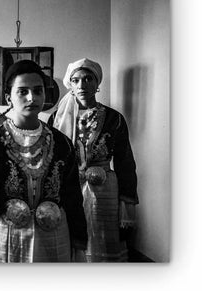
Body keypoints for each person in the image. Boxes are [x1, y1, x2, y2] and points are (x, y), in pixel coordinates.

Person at [0, 60, 87, 263]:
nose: (32, 98)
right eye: (22, 91)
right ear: (8, 98)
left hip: (53, 236)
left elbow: (73, 198)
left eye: (38, 91)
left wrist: (79, 242)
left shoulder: (61, 142)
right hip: (6, 236)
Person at [49, 58, 138, 262]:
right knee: (72, 237)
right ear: (70, 84)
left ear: (97, 84)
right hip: (70, 187)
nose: (82, 85)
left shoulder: (114, 118)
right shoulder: (57, 118)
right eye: (76, 80)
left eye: (88, 79)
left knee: (102, 238)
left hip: (104, 189)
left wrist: (127, 204)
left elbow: (125, 163)